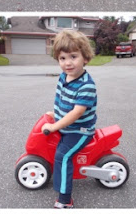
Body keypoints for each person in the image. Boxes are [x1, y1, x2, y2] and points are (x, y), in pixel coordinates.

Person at [42, 30, 97, 209]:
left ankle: (65, 199)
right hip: (66, 125)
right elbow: (60, 98)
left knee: (62, 156)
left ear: (85, 58)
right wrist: (55, 113)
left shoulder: (86, 85)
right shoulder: (63, 77)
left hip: (79, 130)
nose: (67, 63)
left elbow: (76, 113)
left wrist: (54, 126)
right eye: (62, 58)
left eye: (73, 56)